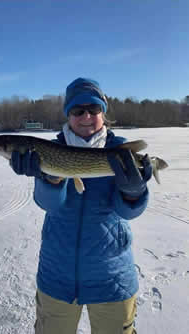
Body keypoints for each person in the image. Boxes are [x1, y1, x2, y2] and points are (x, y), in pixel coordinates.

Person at [10, 78, 152, 334]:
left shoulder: (120, 152)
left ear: (103, 113)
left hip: (112, 277)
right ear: (68, 115)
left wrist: (134, 192)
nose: (86, 115)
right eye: (77, 110)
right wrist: (51, 176)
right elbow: (48, 204)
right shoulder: (50, 150)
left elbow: (128, 212)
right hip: (57, 276)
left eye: (93, 109)